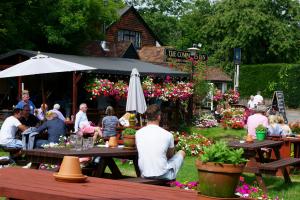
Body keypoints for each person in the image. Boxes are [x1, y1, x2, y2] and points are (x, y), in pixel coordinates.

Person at [135, 104, 185, 180]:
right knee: (182, 152)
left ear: (146, 117)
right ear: (159, 117)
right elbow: (170, 156)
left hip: (144, 173)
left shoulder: (138, 133)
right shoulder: (168, 135)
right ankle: (170, 180)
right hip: (163, 174)